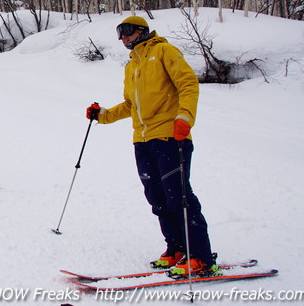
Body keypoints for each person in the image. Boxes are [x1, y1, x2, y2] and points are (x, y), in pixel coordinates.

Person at [85, 15, 219, 277]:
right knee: (157, 199)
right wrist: (102, 115)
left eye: (126, 31)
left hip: (171, 136)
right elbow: (130, 105)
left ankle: (201, 258)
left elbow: (188, 84)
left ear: (141, 30)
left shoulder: (164, 51)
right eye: (119, 33)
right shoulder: (132, 65)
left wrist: (185, 117)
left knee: (179, 198)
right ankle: (177, 249)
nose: (122, 37)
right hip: (143, 140)